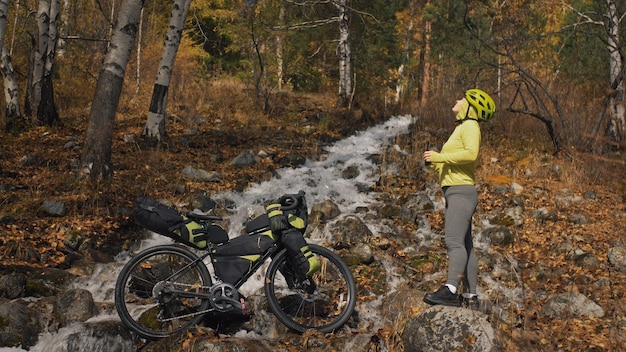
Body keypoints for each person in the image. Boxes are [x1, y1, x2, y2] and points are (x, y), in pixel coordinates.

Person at [422, 88, 496, 308]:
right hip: (457, 190)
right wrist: (436, 162)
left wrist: (441, 156)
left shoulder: (470, 126)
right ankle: (470, 296)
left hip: (461, 192)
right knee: (466, 244)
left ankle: (451, 290)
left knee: (454, 242)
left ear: (470, 107)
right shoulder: (462, 128)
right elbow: (456, 164)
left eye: (462, 98)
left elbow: (471, 154)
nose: (457, 100)